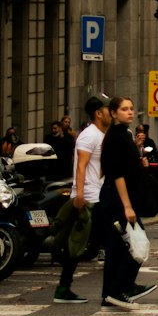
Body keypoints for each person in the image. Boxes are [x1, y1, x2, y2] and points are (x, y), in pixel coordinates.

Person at [97, 96, 158, 309]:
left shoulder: (123, 135)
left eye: (131, 108)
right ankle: (123, 288)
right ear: (113, 113)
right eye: (124, 109)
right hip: (118, 199)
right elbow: (116, 174)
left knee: (117, 247)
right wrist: (127, 206)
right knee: (137, 245)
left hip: (119, 199)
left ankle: (110, 294)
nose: (130, 112)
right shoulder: (115, 136)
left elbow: (123, 166)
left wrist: (138, 161)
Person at [53, 95, 111, 303]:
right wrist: (78, 195)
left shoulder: (101, 134)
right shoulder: (90, 135)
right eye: (107, 109)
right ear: (98, 113)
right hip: (89, 198)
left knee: (85, 246)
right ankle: (117, 290)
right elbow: (80, 165)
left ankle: (64, 288)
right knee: (81, 244)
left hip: (97, 195)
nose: (111, 112)